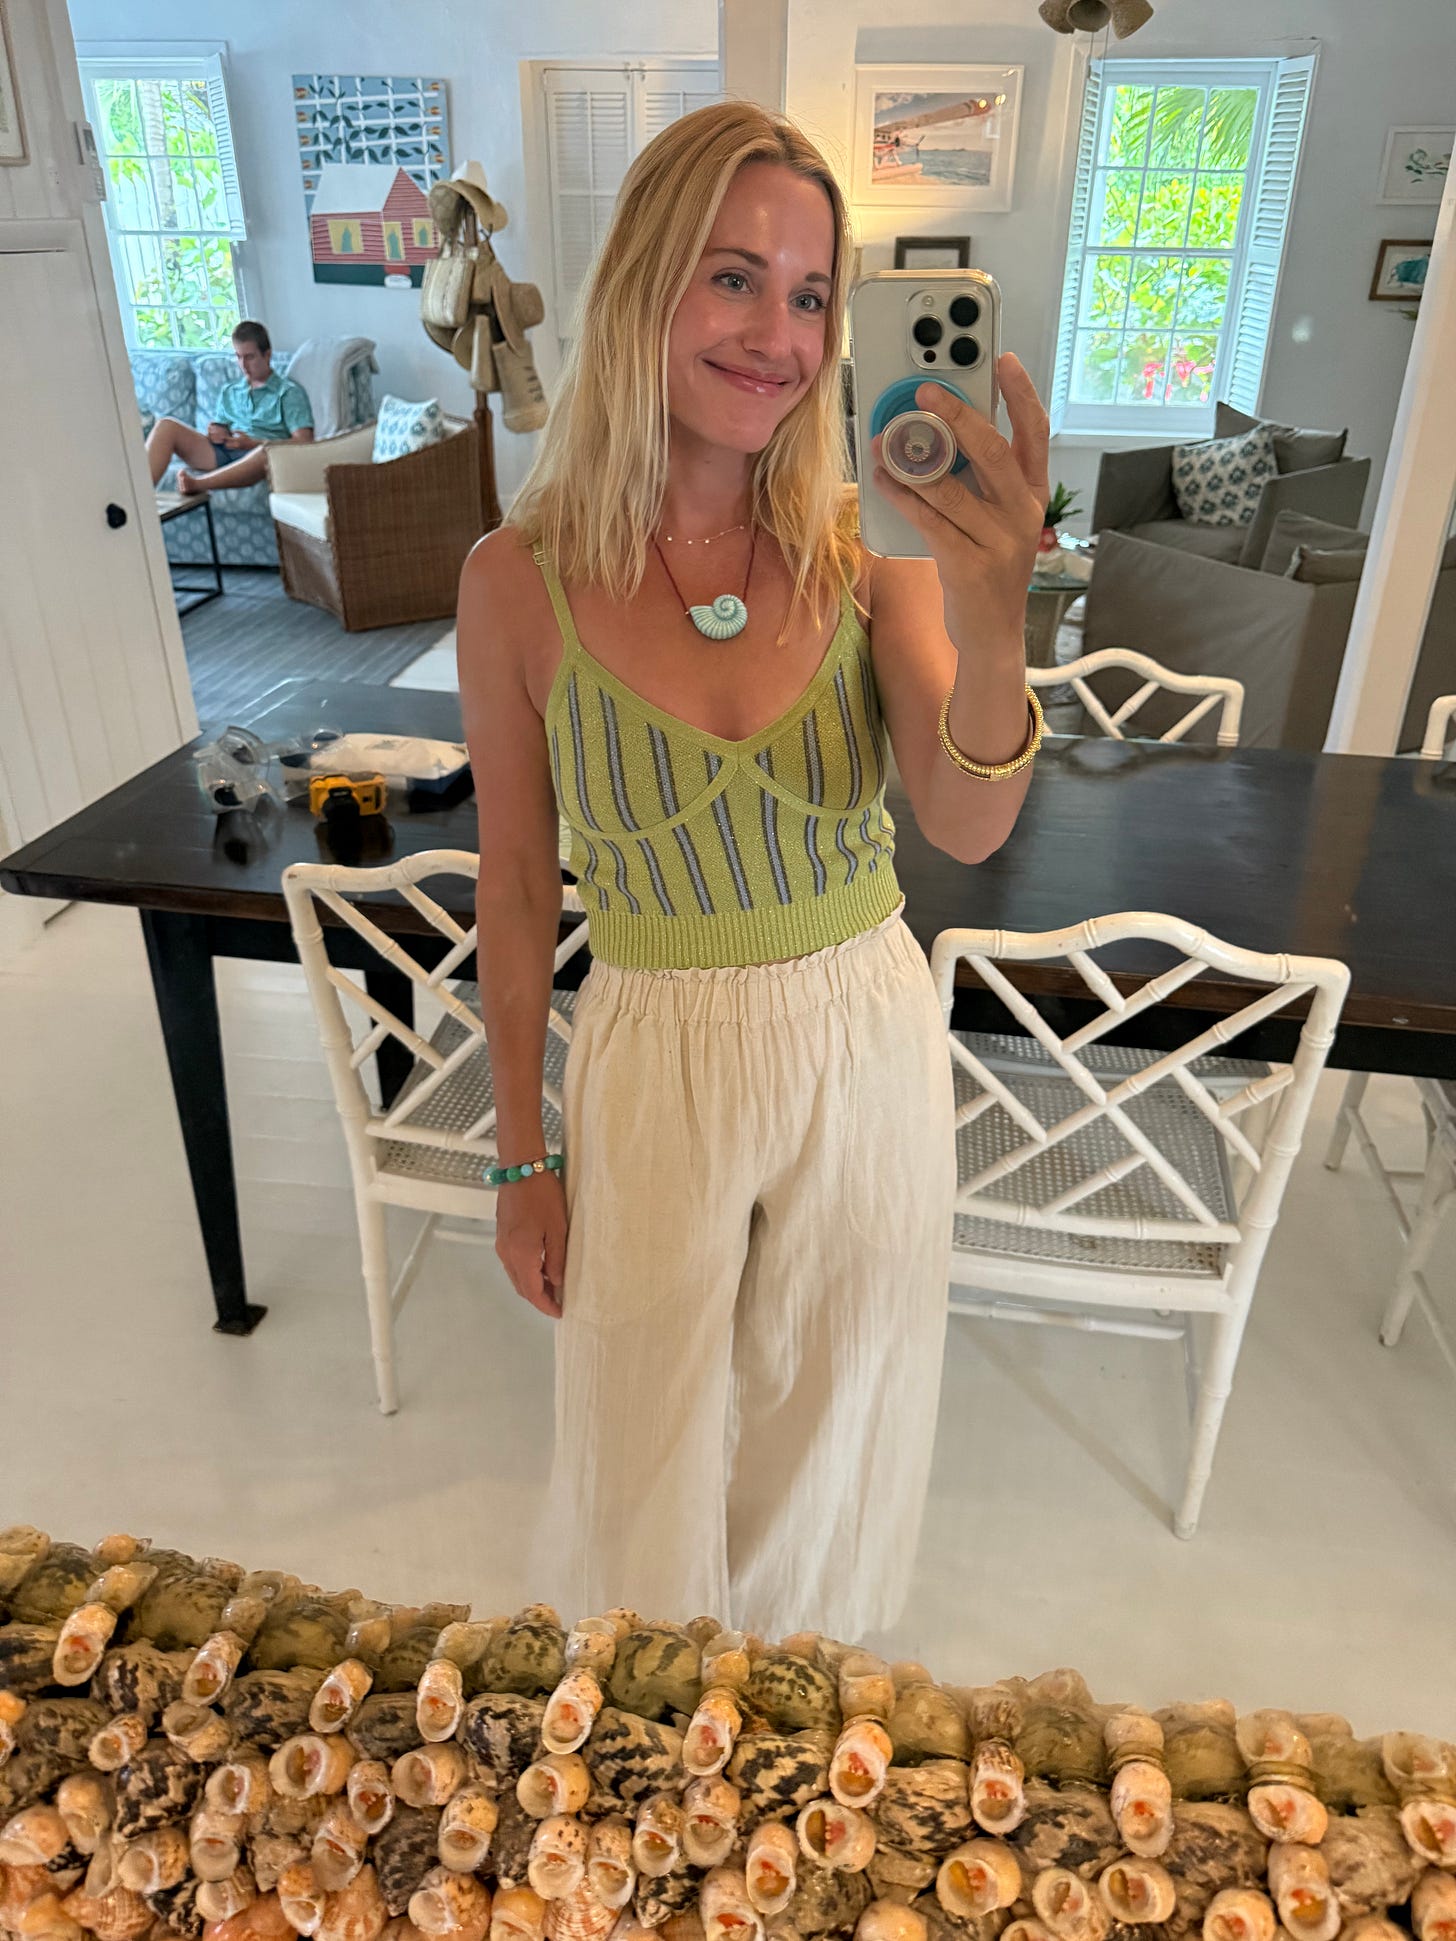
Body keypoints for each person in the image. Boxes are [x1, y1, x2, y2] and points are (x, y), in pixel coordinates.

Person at [456, 102, 1047, 1640]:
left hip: (864, 1036)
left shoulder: (868, 556)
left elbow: (967, 824)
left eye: (809, 295)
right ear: (644, 283)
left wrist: (995, 618)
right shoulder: (515, 582)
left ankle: (788, 1730)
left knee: (831, 1444)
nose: (776, 336)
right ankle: (651, 1740)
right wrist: (517, 1151)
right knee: (639, 1442)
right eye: (733, 277)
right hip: (652, 1049)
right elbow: (513, 885)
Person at [145, 320, 314, 496]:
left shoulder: (288, 392)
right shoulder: (230, 391)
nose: (243, 365)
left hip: (258, 455)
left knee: (267, 452)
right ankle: (139, 497)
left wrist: (253, 444)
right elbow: (220, 427)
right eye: (239, 357)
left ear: (267, 355)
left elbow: (304, 442)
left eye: (250, 357)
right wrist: (216, 432)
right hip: (223, 452)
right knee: (166, 426)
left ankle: (198, 484)